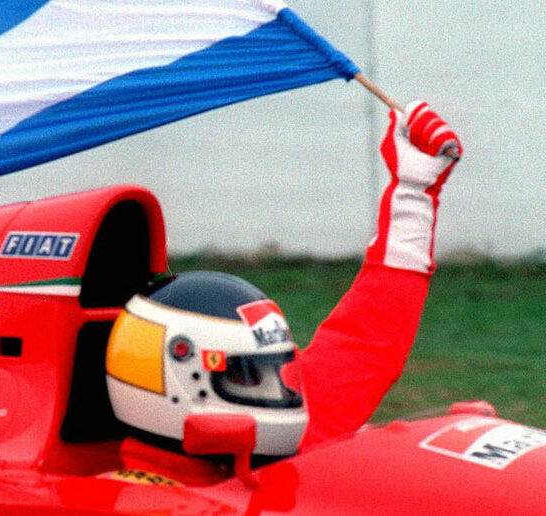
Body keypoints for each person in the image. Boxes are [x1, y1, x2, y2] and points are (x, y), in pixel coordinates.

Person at [102, 101, 462, 485]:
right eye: (248, 376)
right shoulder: (106, 503)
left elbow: (367, 342)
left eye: (277, 372)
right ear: (176, 384)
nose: (280, 393)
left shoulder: (278, 437)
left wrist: (413, 194)